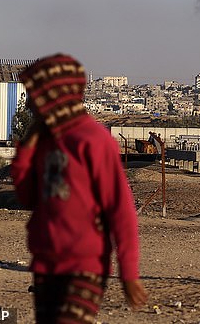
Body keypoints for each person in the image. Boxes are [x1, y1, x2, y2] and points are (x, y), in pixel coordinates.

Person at [11, 54, 148, 323]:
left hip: (84, 267)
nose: (28, 104)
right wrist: (27, 147)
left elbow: (121, 211)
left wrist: (128, 273)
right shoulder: (46, 142)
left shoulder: (93, 141)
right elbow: (27, 197)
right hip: (46, 264)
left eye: (33, 95)